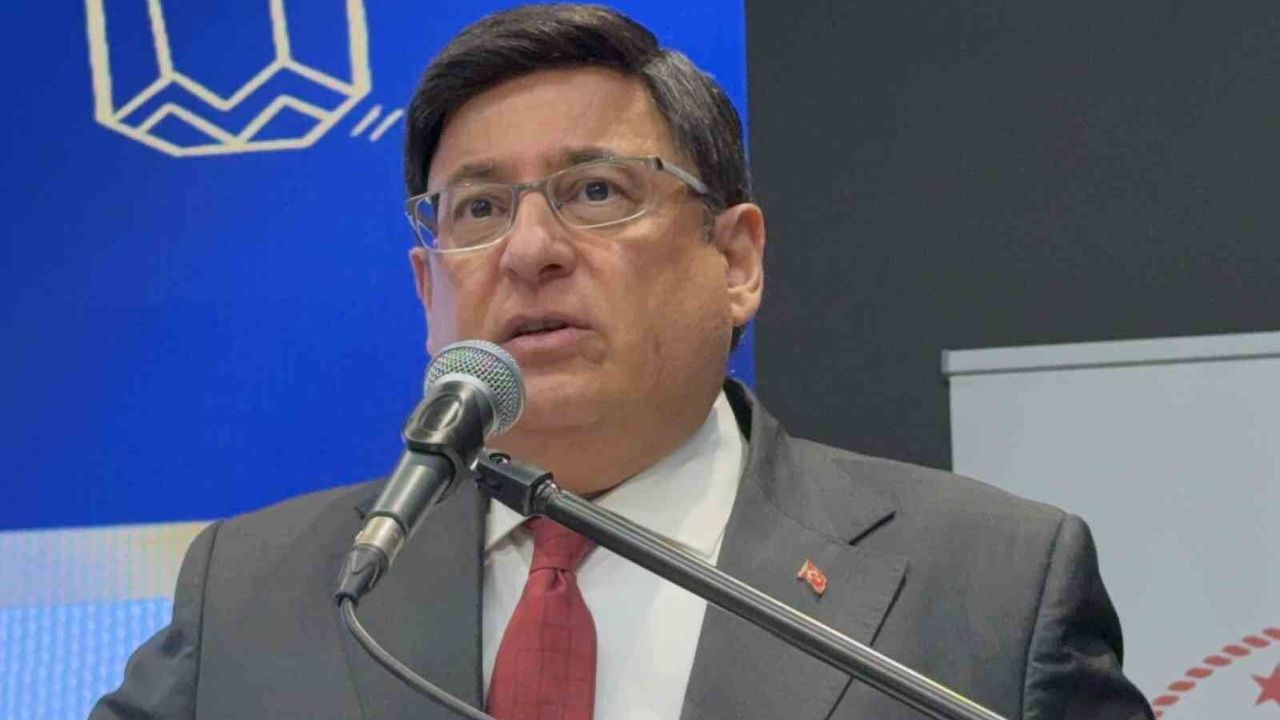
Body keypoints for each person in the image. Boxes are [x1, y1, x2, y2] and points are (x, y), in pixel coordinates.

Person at [91, 4, 1154, 719]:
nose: (528, 249)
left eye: (595, 192)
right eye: (477, 209)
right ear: (428, 294)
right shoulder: (255, 594)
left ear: (735, 260)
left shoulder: (987, 586)